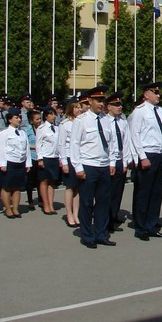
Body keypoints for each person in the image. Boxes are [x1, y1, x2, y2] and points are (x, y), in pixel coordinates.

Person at [71, 86, 117, 248]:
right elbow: (74, 145)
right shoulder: (81, 120)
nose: (101, 104)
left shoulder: (106, 119)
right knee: (87, 202)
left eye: (103, 100)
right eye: (98, 100)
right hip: (88, 165)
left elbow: (111, 143)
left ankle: (101, 233)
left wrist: (112, 162)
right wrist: (78, 167)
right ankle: (87, 235)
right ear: (89, 101)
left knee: (104, 202)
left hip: (104, 165)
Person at [128, 81, 162, 241]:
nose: (158, 95)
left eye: (159, 93)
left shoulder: (160, 111)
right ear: (146, 94)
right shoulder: (140, 111)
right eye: (155, 92)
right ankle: (141, 227)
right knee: (143, 192)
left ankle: (152, 224)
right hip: (147, 154)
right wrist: (142, 157)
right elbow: (135, 135)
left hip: (159, 153)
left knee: (157, 191)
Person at [106, 92, 133, 233]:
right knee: (107, 192)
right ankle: (106, 220)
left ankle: (114, 215)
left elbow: (126, 142)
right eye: (116, 105)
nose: (120, 107)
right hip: (109, 162)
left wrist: (125, 162)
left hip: (120, 160)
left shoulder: (123, 122)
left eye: (120, 104)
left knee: (118, 191)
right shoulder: (104, 121)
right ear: (108, 106)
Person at [0, 107, 31, 219]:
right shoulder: (4, 133)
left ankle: (16, 209)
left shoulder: (22, 133)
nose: (19, 119)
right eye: (16, 117)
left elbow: (26, 149)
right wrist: (2, 164)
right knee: (7, 187)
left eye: (20, 117)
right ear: (10, 120)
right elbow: (1, 149)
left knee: (17, 187)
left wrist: (28, 163)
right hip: (9, 162)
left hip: (20, 162)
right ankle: (8, 209)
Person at [58, 97, 81, 228]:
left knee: (78, 188)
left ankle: (76, 213)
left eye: (79, 107)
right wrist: (64, 162)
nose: (78, 109)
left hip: (80, 158)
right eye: (76, 107)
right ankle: (69, 214)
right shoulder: (65, 124)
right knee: (70, 187)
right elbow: (61, 144)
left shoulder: (81, 122)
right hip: (69, 157)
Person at [35, 107, 60, 215]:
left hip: (54, 157)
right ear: (46, 116)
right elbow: (38, 144)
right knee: (44, 180)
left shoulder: (57, 128)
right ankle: (45, 204)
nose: (53, 116)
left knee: (52, 181)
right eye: (51, 114)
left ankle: (51, 204)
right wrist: (40, 158)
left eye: (54, 114)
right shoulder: (42, 128)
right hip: (45, 157)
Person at [22, 109, 41, 211]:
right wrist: (33, 147)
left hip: (40, 157)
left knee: (40, 180)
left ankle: (41, 200)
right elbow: (25, 144)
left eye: (40, 119)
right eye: (37, 119)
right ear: (31, 120)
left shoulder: (42, 129)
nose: (39, 121)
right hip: (32, 157)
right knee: (30, 181)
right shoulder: (26, 130)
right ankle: (30, 201)